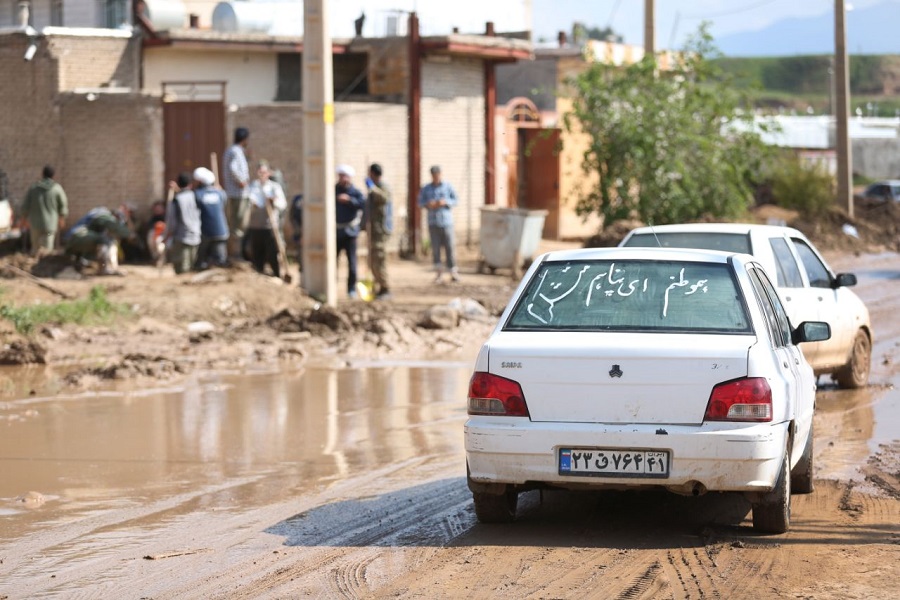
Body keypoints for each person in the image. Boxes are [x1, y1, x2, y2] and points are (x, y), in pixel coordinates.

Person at [418, 165, 459, 283]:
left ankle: (453, 272)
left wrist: (445, 202)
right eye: (434, 175)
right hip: (433, 222)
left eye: (437, 175)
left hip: (446, 222)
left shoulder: (447, 186)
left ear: (440, 174)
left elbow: (456, 200)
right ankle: (439, 274)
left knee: (450, 247)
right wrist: (428, 204)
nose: (436, 177)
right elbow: (420, 202)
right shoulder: (426, 188)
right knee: (436, 249)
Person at [245, 161, 287, 278]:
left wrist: (274, 201)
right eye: (259, 172)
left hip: (270, 226)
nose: (261, 174)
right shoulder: (252, 187)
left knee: (272, 252)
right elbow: (248, 202)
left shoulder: (274, 187)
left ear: (268, 173)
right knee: (257, 253)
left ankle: (276, 275)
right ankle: (259, 274)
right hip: (256, 226)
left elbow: (282, 204)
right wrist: (253, 204)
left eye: (263, 172)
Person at [64, 207, 134, 275]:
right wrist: (129, 234)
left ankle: (79, 264)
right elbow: (115, 227)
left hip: (70, 240)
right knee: (105, 240)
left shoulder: (98, 214)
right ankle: (103, 269)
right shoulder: (104, 214)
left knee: (98, 241)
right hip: (78, 236)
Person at [19, 165, 69, 256]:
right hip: (50, 227)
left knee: (35, 248)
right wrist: (62, 219)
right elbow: (63, 206)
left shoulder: (33, 188)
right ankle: (43, 263)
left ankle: (33, 260)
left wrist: (23, 220)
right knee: (47, 249)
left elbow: (25, 206)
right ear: (54, 176)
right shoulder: (57, 189)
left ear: (42, 174)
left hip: (35, 225)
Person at [334, 164, 366, 299]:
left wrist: (349, 201)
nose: (343, 179)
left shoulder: (355, 192)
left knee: (352, 263)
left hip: (350, 232)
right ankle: (332, 287)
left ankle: (351, 289)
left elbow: (363, 205)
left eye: (345, 176)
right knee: (332, 262)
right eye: (341, 176)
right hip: (335, 232)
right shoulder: (333, 191)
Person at [163, 172, 202, 274]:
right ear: (190, 185)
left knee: (182, 269)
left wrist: (166, 236)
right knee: (191, 267)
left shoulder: (176, 201)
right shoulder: (196, 196)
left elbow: (171, 223)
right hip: (196, 235)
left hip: (182, 237)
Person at [365, 163, 393, 300]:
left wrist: (372, 188)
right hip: (373, 232)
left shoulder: (382, 187)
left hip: (381, 232)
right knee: (372, 261)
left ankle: (385, 288)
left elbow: (384, 198)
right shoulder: (373, 189)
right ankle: (378, 287)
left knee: (379, 260)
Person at [221, 127, 250, 259]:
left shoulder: (233, 150)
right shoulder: (235, 151)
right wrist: (241, 182)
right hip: (238, 194)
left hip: (235, 193)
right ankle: (236, 254)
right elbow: (233, 169)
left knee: (236, 225)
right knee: (238, 226)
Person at [193, 167, 229, 270]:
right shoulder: (221, 193)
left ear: (200, 181)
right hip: (221, 231)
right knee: (220, 260)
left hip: (204, 232)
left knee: (201, 261)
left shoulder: (197, 194)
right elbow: (224, 204)